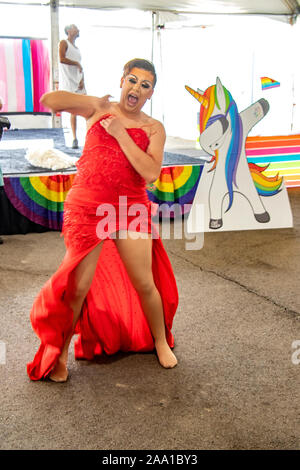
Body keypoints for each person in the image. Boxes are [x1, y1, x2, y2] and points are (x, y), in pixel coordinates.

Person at [27, 58, 178, 383]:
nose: (136, 88)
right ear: (122, 80)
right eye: (132, 80)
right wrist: (88, 101)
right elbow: (48, 101)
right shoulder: (98, 110)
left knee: (144, 283)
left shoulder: (154, 128)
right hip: (88, 206)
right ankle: (60, 354)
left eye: (145, 85)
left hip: (129, 208)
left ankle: (161, 341)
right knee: (78, 286)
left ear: (151, 93)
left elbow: (151, 173)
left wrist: (123, 134)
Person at [59, 24, 86, 149]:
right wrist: (75, 63)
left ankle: (89, 135)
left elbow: (80, 67)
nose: (78, 29)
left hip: (79, 81)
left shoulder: (77, 48)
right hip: (69, 82)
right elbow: (62, 58)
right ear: (69, 31)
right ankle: (75, 138)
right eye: (76, 27)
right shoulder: (64, 43)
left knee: (87, 108)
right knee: (74, 111)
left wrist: (83, 81)